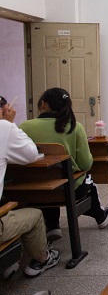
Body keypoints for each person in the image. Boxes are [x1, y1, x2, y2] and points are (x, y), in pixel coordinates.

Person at [19, 88, 108, 241]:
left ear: (43, 104)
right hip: (67, 191)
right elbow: (86, 164)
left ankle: (53, 226)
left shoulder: (24, 127)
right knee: (86, 180)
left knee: (48, 179)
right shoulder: (74, 127)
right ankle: (101, 216)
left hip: (32, 191)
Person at [0, 96, 60, 278]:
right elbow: (31, 153)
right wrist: (10, 123)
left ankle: (12, 260)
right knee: (34, 215)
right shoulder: (4, 127)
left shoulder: (26, 125)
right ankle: (42, 258)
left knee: (12, 202)